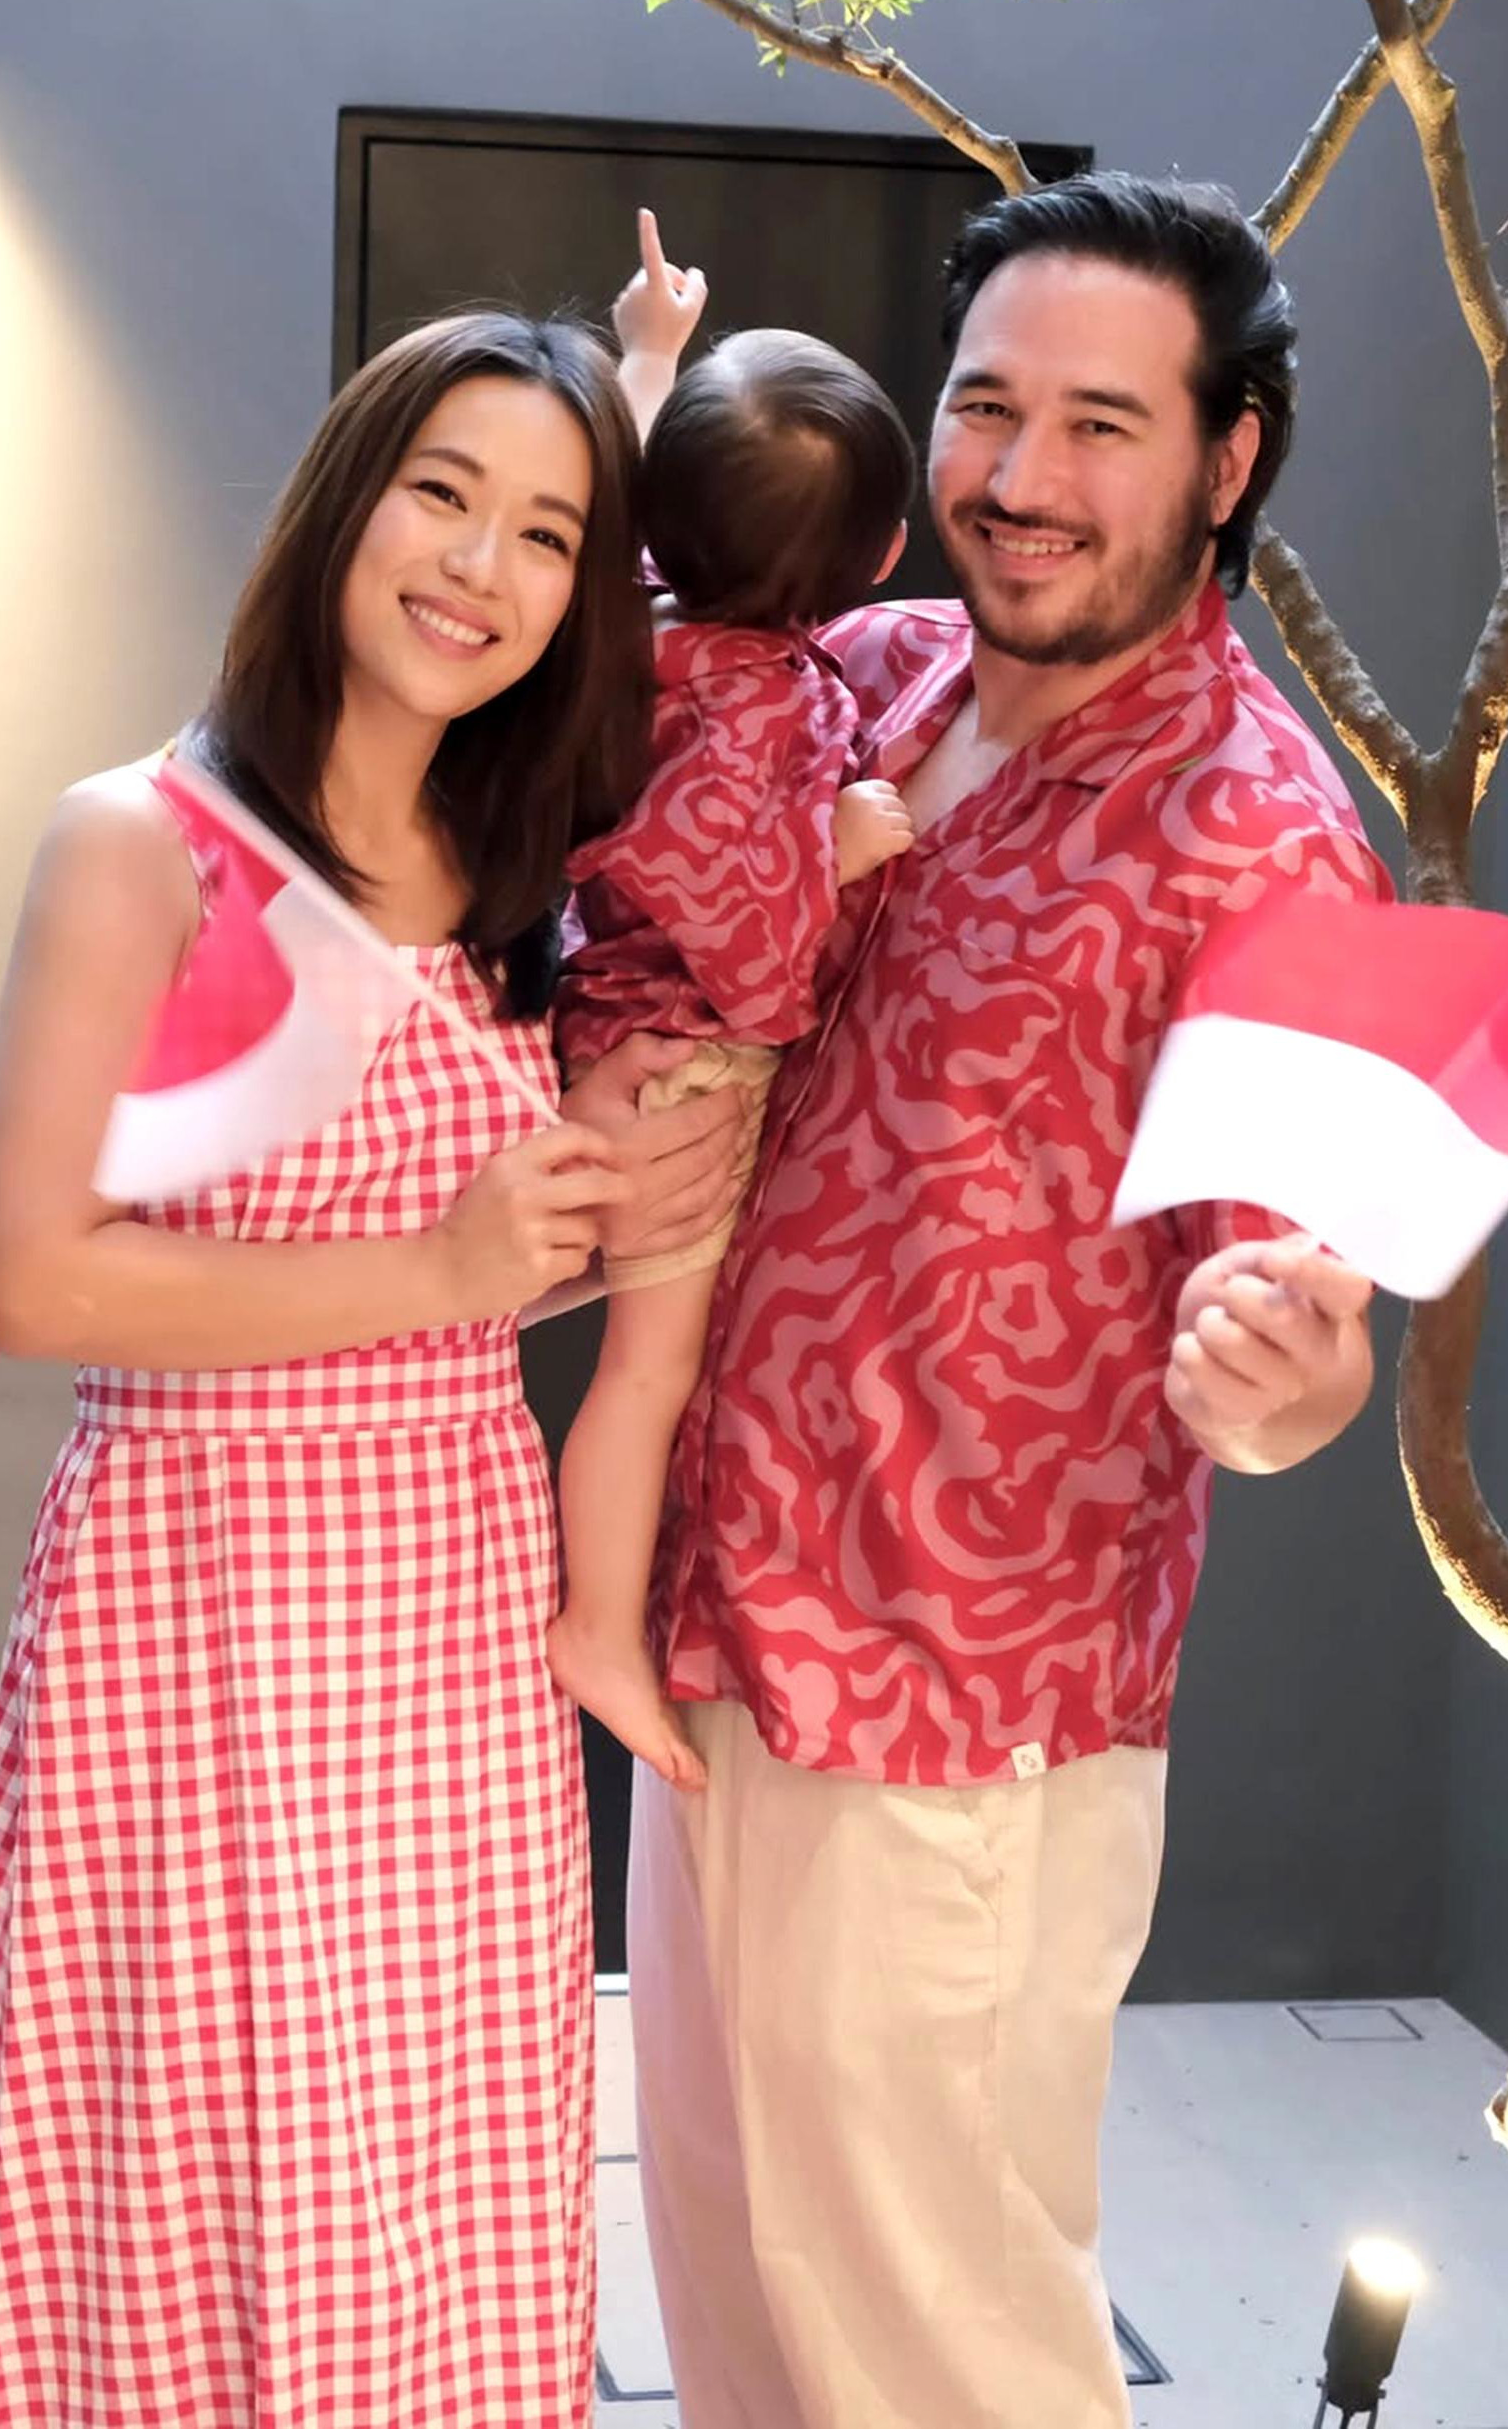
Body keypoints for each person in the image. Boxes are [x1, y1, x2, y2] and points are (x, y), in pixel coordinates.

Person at [571, 175, 1398, 2429]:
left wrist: (1293, 1374)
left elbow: (1290, 1321)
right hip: (711, 1657)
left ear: (1226, 462)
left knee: (941, 2361)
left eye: (1101, 424)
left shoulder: (1267, 839)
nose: (1022, 477)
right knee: (746, 2335)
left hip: (954, 1725)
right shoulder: (874, 666)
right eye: (986, 406)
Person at [0, 308, 730, 2429]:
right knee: (171, 2155)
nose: (482, 567)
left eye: (548, 534)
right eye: (441, 493)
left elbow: (444, 1287)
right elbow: (32, 1281)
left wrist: (576, 1234)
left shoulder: (510, 879)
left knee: (428, 2173)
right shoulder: (145, 845)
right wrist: (448, 1263)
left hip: (449, 1612)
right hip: (194, 1608)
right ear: (343, 502)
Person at [545, 211, 922, 1796]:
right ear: (881, 562)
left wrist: (648, 351)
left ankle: (605, 1613)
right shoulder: (756, 713)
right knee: (649, 1374)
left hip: (614, 1017)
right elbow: (758, 972)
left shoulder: (635, 621)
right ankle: (595, 1625)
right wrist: (836, 853)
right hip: (686, 1065)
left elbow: (610, 503)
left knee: (654, 1373)